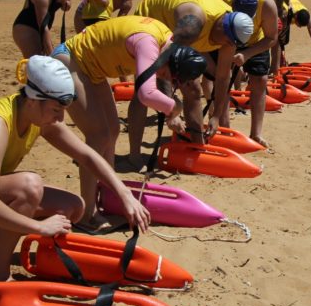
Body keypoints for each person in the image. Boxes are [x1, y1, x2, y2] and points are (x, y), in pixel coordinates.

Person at [0, 56, 150, 283]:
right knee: (28, 187)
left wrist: (125, 195)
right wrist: (39, 227)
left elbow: (87, 155)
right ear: (32, 100)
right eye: (56, 109)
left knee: (72, 207)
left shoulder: (37, 117)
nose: (61, 118)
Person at [52, 15, 206, 228]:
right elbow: (146, 93)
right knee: (98, 135)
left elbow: (154, 84)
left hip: (92, 69)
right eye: (170, 77)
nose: (166, 79)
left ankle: (107, 193)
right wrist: (175, 107)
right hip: (71, 61)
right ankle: (86, 213)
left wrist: (172, 109)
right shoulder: (149, 44)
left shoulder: (168, 45)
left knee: (113, 130)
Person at [132, 0, 254, 149]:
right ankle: (134, 155)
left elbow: (223, 77)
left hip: (180, 26)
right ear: (222, 27)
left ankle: (196, 145)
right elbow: (161, 65)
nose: (226, 46)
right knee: (143, 90)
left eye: (231, 44)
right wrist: (170, 111)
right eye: (226, 41)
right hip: (150, 19)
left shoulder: (230, 35)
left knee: (193, 89)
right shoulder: (191, 26)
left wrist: (216, 115)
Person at [215, 0, 279, 147]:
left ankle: (256, 134)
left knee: (260, 81)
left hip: (256, 41)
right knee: (223, 80)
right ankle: (224, 128)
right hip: (226, 37)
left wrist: (247, 54)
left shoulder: (268, 5)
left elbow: (272, 38)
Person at [265, 0, 311, 73]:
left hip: (272, 4)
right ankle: (273, 68)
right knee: (274, 39)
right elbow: (278, 3)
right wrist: (282, 17)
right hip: (266, 6)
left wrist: (289, 5)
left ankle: (275, 67)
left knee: (277, 39)